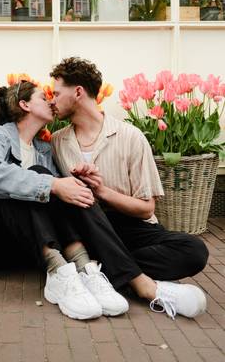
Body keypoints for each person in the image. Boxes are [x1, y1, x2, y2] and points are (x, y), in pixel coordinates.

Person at [0, 80, 129, 320]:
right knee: (37, 177)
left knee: (53, 182)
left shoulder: (44, 149)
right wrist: (52, 184)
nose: (51, 101)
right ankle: (59, 271)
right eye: (43, 97)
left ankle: (83, 269)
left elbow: (56, 205)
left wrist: (74, 180)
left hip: (21, 246)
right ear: (24, 104)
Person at [49, 56, 209, 320]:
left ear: (78, 92)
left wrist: (103, 192)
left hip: (131, 228)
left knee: (194, 250)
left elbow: (147, 210)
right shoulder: (57, 142)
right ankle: (142, 285)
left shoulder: (130, 136)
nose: (52, 100)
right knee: (81, 203)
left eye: (56, 93)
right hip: (88, 226)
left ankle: (99, 271)